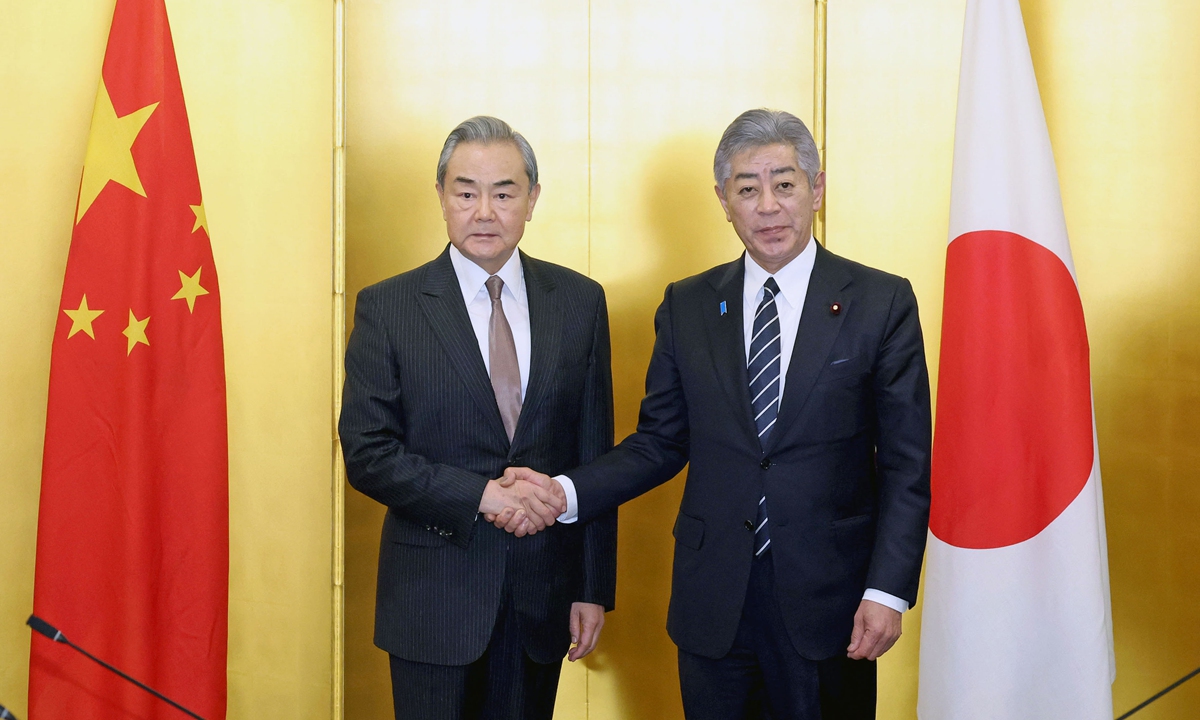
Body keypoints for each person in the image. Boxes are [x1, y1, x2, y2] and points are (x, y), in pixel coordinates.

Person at [500, 109, 932, 719]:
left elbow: (908, 465)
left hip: (831, 602)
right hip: (714, 601)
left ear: (817, 188)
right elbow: (659, 442)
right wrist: (562, 492)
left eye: (785, 184)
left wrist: (888, 590)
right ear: (723, 201)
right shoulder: (688, 305)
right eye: (747, 188)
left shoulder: (882, 302)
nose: (768, 206)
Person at [339, 116, 617, 720]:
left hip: (541, 595)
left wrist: (593, 587)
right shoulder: (388, 307)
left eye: (504, 192)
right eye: (466, 192)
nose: (484, 211)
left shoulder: (579, 302)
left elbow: (595, 452)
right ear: (441, 197)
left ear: (532, 199)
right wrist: (483, 496)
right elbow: (367, 453)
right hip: (432, 600)